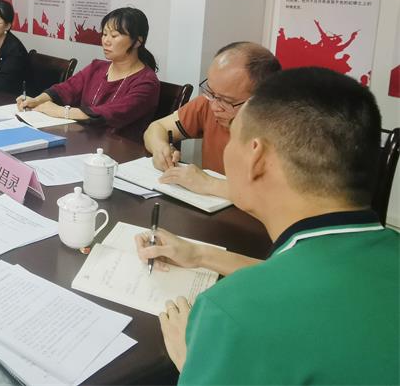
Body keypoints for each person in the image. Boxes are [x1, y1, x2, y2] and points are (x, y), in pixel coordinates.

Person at [137, 67, 398, 385]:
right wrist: (200, 254)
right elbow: (316, 283)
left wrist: (192, 362)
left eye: (233, 139)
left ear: (256, 157)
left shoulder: (231, 314)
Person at [143, 42, 280, 198]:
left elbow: (280, 196)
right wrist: (160, 148)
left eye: (227, 101)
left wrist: (210, 184)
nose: (215, 107)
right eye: (210, 92)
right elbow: (157, 127)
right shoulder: (208, 103)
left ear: (262, 99)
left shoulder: (285, 129)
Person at [17, 7, 160, 137]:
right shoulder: (97, 67)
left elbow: (111, 113)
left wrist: (61, 111)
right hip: (83, 139)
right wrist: (36, 100)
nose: (106, 41)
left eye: (114, 36)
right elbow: (65, 89)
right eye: (104, 34)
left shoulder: (146, 82)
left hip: (118, 149)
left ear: (137, 41)